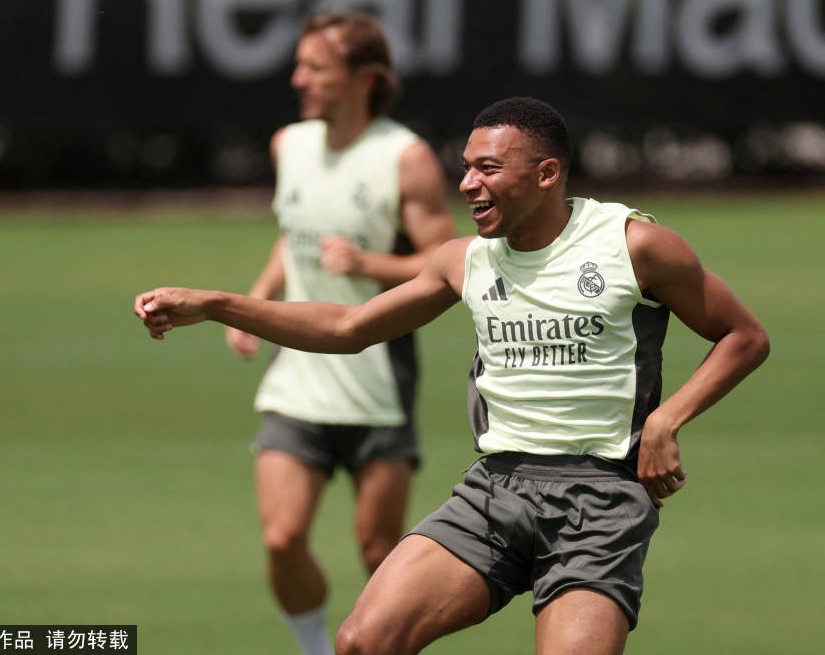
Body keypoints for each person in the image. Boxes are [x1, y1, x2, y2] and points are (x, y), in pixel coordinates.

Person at [134, 97, 769, 654]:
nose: (466, 184)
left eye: (487, 168)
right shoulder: (463, 261)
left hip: (599, 501)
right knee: (363, 642)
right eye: (465, 167)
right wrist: (218, 304)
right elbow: (346, 326)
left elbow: (744, 336)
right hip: (496, 490)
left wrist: (666, 419)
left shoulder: (633, 245)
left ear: (546, 173)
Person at [221, 12, 454, 655]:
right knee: (281, 538)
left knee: (379, 551)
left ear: (366, 79)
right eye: (299, 65)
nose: (298, 79)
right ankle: (315, 647)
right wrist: (260, 300)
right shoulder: (288, 145)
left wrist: (367, 263)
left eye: (316, 67)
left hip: (377, 380)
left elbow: (448, 262)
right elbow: (294, 233)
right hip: (297, 378)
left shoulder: (404, 158)